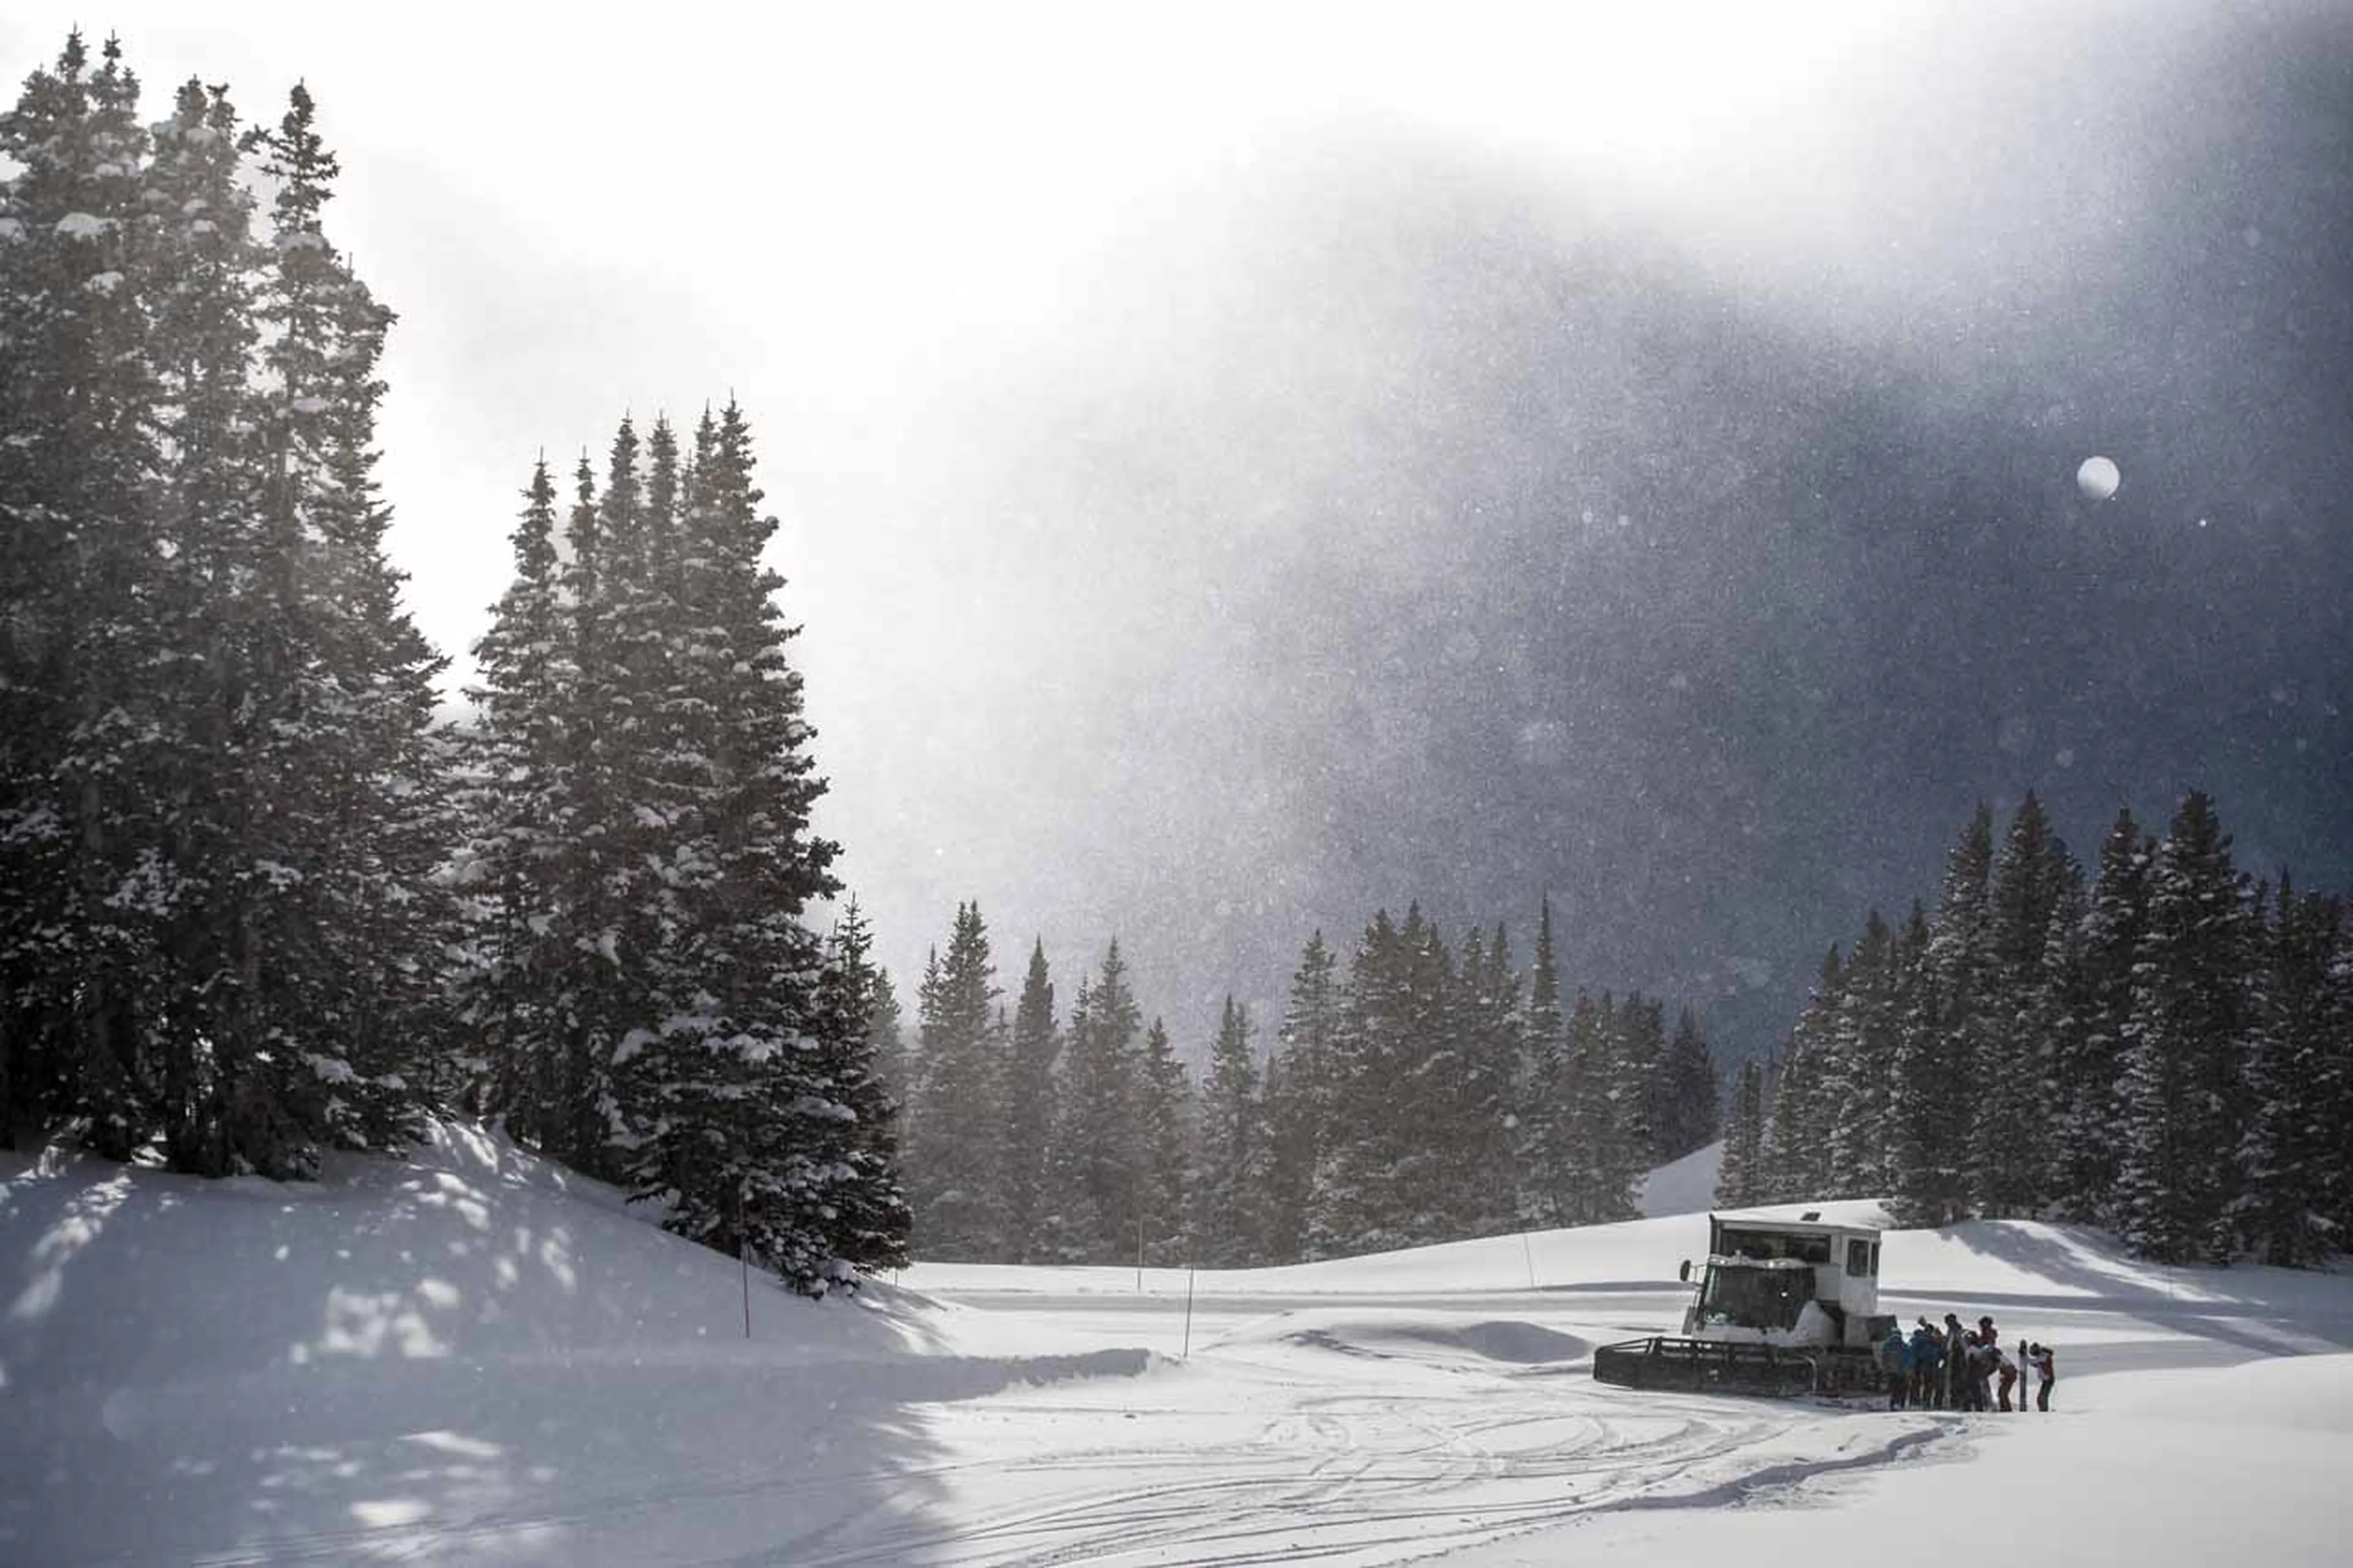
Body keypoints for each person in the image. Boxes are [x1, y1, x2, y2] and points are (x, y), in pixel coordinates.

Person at [1879, 1323, 1910, 1409]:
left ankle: (1893, 1404)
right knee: (1903, 1388)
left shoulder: (1887, 1345)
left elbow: (1884, 1358)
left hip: (1891, 1371)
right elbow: (1908, 1358)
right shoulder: (1903, 1345)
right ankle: (1901, 1404)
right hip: (1902, 1371)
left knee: (1894, 1389)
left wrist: (1885, 1368)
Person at [2031, 1342, 2056, 1412]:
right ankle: (2043, 1410)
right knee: (2041, 1398)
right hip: (2046, 1379)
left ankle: (2044, 1412)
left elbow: (2036, 1362)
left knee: (2042, 1398)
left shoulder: (2044, 1355)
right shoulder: (2042, 1356)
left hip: (2048, 1379)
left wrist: (2027, 1360)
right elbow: (2036, 1364)